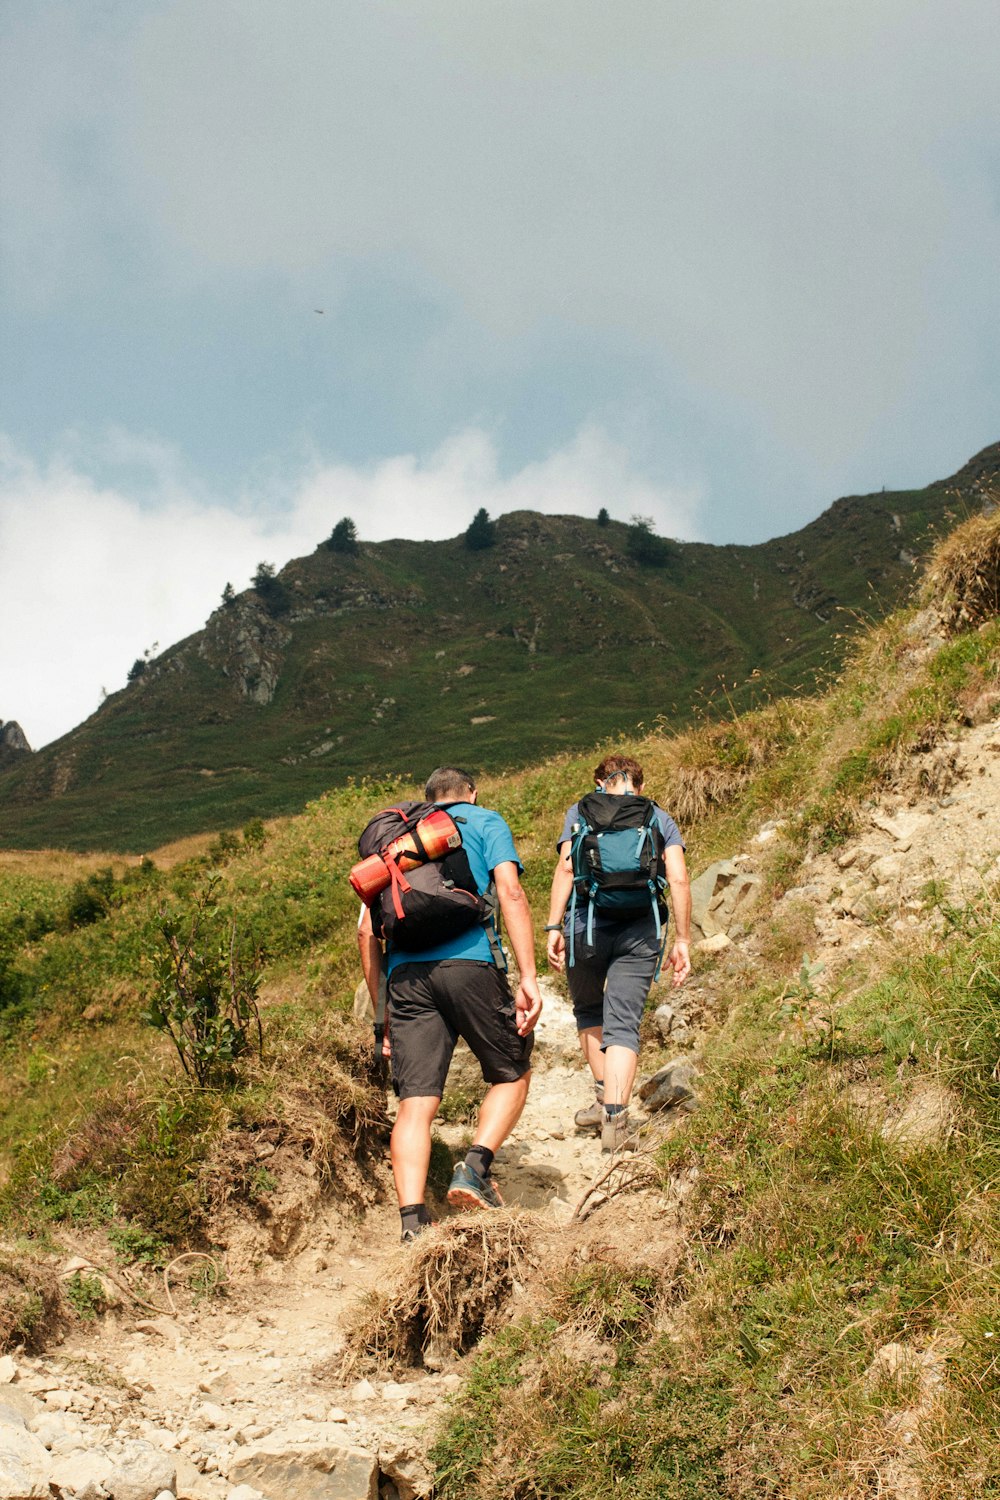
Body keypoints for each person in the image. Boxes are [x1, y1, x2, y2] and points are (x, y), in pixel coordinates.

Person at [357, 766, 542, 1242]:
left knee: (415, 1103)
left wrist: (382, 1019)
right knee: (512, 1070)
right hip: (470, 965)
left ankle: (413, 1222)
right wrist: (529, 976)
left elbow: (365, 931)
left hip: (405, 979)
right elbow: (511, 892)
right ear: (472, 794)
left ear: (427, 801)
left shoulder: (395, 842)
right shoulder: (483, 822)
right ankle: (475, 1168)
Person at [545, 753, 691, 1152]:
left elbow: (564, 869)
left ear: (598, 784)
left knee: (590, 1011)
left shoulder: (580, 812)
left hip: (584, 928)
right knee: (623, 1024)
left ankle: (599, 1097)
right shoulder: (657, 816)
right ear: (639, 786)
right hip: (640, 930)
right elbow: (676, 877)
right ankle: (615, 1120)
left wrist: (554, 927)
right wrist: (682, 940)